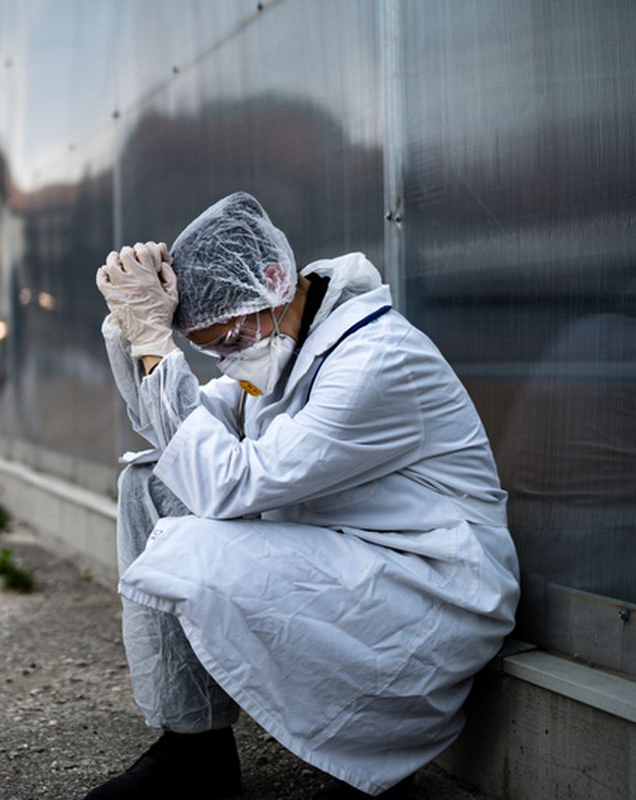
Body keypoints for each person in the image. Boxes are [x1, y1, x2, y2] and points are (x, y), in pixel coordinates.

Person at [86, 192, 520, 799]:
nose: (226, 360)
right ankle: (195, 752)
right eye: (213, 350)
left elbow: (229, 484)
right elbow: (177, 436)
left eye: (230, 341)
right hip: (344, 556)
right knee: (151, 484)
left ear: (272, 280)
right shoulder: (279, 343)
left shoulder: (376, 358)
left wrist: (159, 345)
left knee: (200, 542)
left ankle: (374, 771)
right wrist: (134, 331)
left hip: (428, 582)